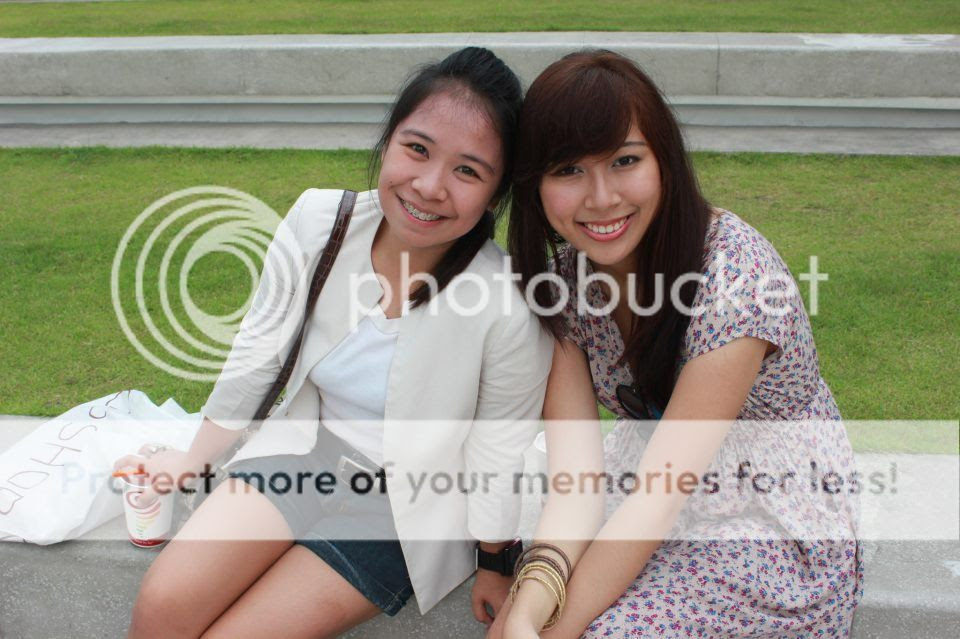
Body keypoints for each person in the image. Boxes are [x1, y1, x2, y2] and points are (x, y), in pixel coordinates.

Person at [113, 47, 553, 638]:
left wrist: (495, 563)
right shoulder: (321, 221)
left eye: (467, 171)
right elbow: (258, 352)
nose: (429, 186)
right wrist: (195, 460)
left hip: (407, 507)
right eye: (417, 149)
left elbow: (497, 451)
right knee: (162, 605)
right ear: (388, 141)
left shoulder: (508, 301)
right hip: (302, 455)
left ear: (496, 194)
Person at [496, 50, 862, 638]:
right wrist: (528, 609)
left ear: (663, 159)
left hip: (767, 523)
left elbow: (658, 500)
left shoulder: (736, 283)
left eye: (625, 161)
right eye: (568, 169)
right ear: (533, 184)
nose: (602, 197)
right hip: (640, 498)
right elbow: (576, 482)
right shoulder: (562, 284)